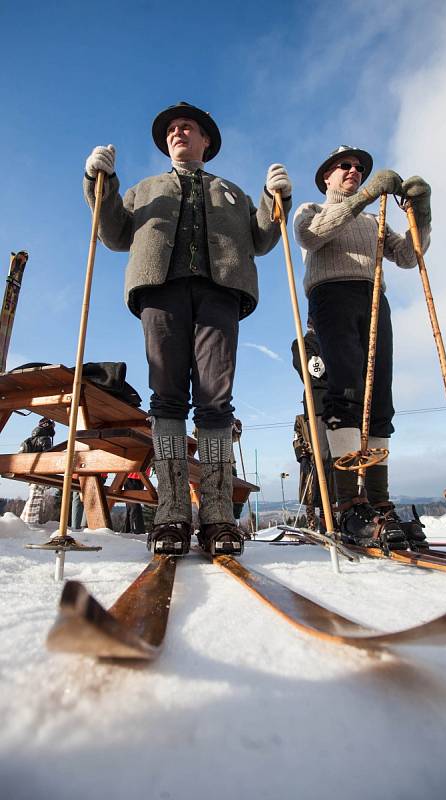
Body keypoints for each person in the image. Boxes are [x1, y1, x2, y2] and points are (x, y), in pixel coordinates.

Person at [84, 102, 292, 557]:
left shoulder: (232, 193)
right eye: (173, 129)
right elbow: (115, 233)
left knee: (216, 400)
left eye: (187, 128)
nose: (178, 132)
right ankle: (172, 513)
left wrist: (273, 199)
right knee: (167, 396)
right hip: (160, 293)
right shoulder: (144, 190)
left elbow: (261, 238)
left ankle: (217, 515)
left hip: (221, 294)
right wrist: (100, 184)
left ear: (206, 142)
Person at [293, 145, 431, 548]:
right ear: (326, 178)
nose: (353, 170)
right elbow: (312, 236)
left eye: (358, 167)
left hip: (373, 298)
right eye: (345, 166)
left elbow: (408, 255)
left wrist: (420, 212)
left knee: (380, 398)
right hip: (332, 296)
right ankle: (350, 504)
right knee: (348, 391)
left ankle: (378, 501)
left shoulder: (375, 220)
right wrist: (367, 194)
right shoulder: (310, 210)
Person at [291, 318, 335, 529]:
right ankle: (326, 517)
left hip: (343, 403)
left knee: (344, 458)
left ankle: (345, 510)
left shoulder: (336, 340)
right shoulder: (304, 343)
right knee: (325, 460)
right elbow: (314, 373)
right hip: (320, 405)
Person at [19, 418, 55, 529]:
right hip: (40, 472)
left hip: (28, 471)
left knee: (33, 496)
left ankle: (22, 522)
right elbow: (48, 458)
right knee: (36, 497)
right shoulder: (45, 439)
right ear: (48, 426)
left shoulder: (30, 439)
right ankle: (29, 523)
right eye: (52, 427)